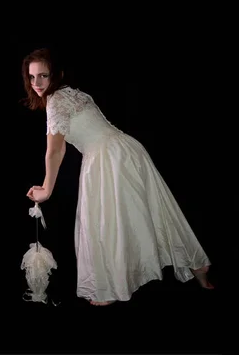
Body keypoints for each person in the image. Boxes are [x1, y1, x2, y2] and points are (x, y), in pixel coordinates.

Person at [23, 48, 214, 306]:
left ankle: (111, 288)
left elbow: (55, 150)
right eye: (32, 77)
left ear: (55, 75)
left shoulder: (56, 100)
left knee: (107, 222)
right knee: (155, 211)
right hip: (127, 148)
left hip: (105, 157)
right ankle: (198, 267)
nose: (37, 83)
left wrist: (46, 189)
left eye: (43, 76)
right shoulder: (75, 93)